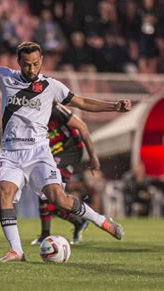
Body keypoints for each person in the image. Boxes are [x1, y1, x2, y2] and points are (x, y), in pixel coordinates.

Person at [0, 29, 132, 262]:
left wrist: (114, 107)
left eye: (36, 64)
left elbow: (82, 102)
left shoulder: (51, 86)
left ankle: (101, 221)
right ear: (18, 62)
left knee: (59, 199)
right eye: (27, 64)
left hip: (39, 153)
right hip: (11, 153)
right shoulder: (4, 77)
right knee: (3, 192)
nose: (31, 69)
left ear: (42, 62)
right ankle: (17, 251)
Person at [31, 102, 100, 245]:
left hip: (70, 151)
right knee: (53, 200)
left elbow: (82, 127)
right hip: (51, 154)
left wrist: (93, 156)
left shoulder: (52, 107)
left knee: (48, 191)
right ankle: (78, 222)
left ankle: (45, 235)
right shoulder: (27, 113)